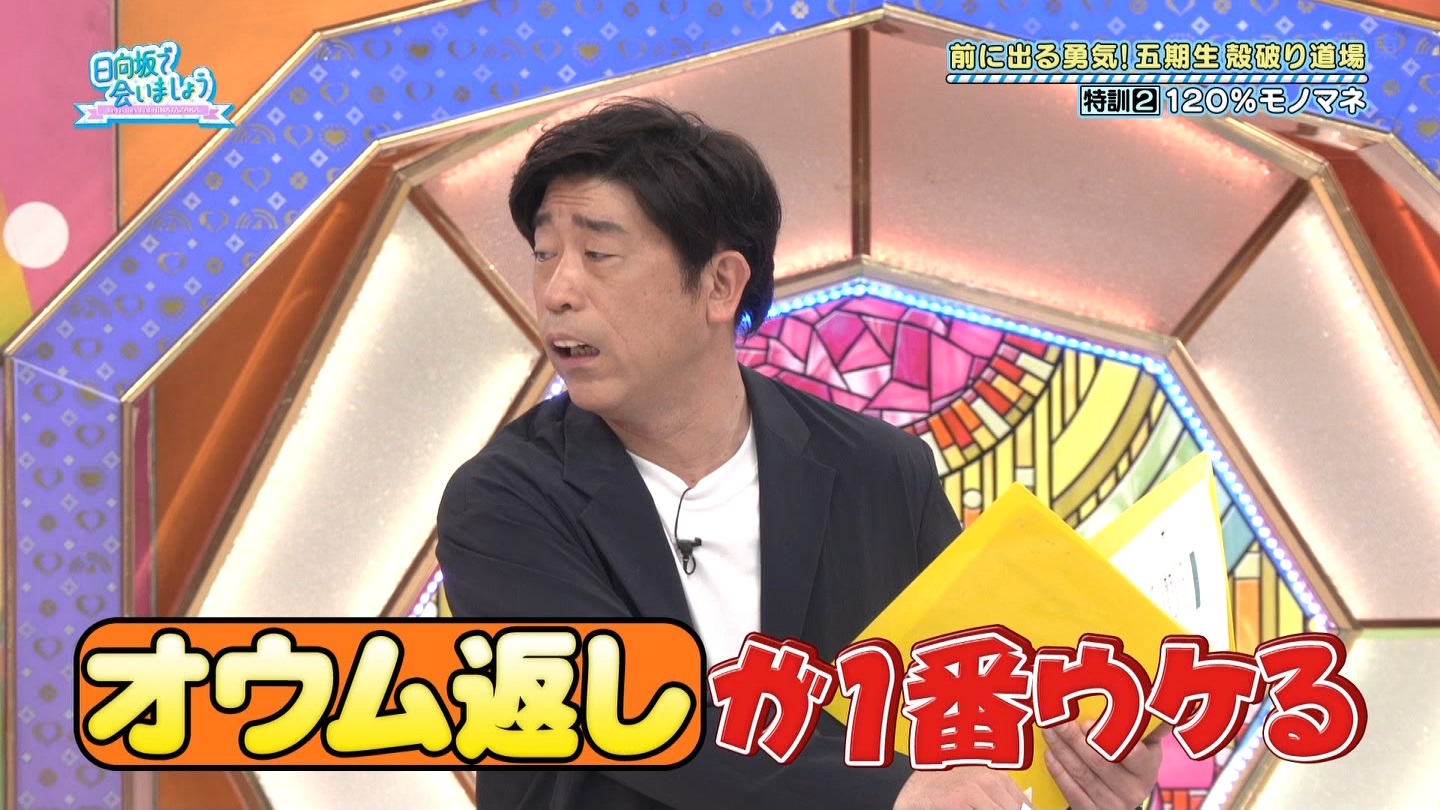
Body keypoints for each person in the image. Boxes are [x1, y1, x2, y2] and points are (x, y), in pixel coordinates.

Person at [435, 97, 1166, 810]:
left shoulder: (883, 475)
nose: (557, 292)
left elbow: (973, 703)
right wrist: (890, 793)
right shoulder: (502, 502)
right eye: (544, 255)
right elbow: (637, 713)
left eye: (599, 254)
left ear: (720, 284)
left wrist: (1080, 776)